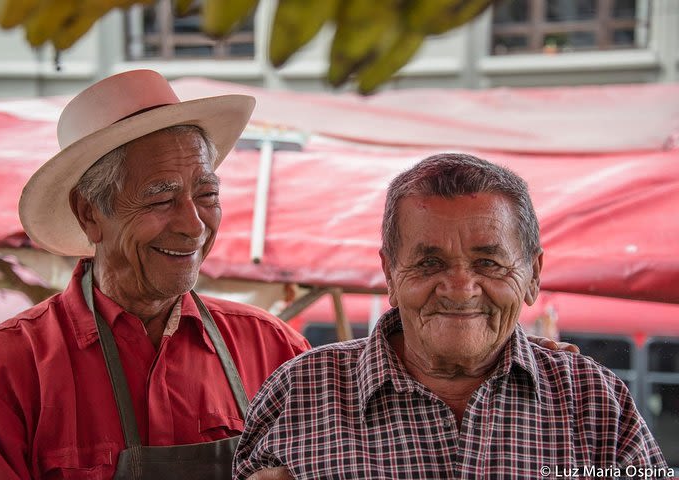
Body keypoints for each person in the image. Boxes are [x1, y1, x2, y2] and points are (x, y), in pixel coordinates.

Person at [0, 69, 311, 479]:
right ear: (89, 213)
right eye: (161, 198)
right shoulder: (1, 374)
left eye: (207, 195)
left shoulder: (276, 351)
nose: (194, 225)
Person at [233, 153, 670, 479]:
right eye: (429, 263)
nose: (460, 289)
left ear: (533, 274)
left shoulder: (594, 402)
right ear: (389, 272)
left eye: (489, 263)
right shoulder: (298, 395)